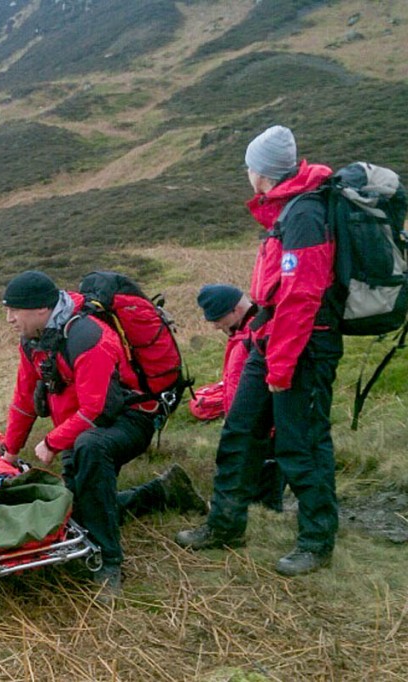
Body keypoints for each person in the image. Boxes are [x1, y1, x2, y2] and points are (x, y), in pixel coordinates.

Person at [176, 125, 341, 577]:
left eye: (249, 166)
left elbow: (301, 297)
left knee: (302, 444)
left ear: (262, 173)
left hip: (303, 346)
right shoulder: (287, 211)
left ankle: (315, 541)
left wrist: (282, 368)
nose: (247, 173)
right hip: (271, 340)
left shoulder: (305, 214)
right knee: (239, 431)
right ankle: (225, 524)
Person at [0, 270, 206, 599]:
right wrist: (9, 453)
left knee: (90, 449)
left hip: (134, 416)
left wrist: (52, 442)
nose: (9, 319)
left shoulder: (87, 336)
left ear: (41, 309)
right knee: (78, 512)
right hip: (82, 425)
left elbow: (95, 410)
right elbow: (24, 400)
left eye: (14, 310)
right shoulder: (35, 342)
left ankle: (108, 562)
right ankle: (164, 492)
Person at [196, 283, 284, 512]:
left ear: (235, 309)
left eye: (217, 319)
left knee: (264, 495)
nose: (215, 326)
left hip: (263, 430)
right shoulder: (242, 333)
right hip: (248, 426)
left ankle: (266, 518)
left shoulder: (259, 334)